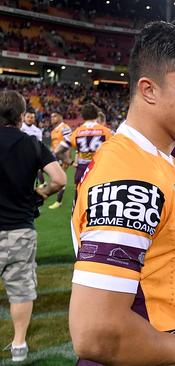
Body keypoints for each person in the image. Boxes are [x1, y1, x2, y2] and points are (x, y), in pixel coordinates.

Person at [67, 21, 175, 366]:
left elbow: (148, 256)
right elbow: (95, 331)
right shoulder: (130, 177)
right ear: (149, 90)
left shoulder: (159, 159)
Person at [0, 91, 66, 362]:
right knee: (21, 289)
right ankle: (19, 346)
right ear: (20, 115)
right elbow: (60, 179)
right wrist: (42, 193)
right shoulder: (31, 143)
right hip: (20, 229)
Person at [54, 104, 113, 185]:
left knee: (80, 197)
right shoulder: (107, 132)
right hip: (100, 170)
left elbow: (57, 151)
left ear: (82, 116)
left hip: (82, 171)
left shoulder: (76, 133)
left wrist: (72, 163)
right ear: (96, 115)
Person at [47, 112, 71, 209]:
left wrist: (67, 159)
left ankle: (58, 201)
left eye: (55, 116)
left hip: (62, 157)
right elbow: (54, 145)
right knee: (55, 177)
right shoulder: (53, 131)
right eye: (51, 116)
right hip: (55, 157)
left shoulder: (65, 128)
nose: (52, 118)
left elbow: (68, 143)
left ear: (60, 117)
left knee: (60, 179)